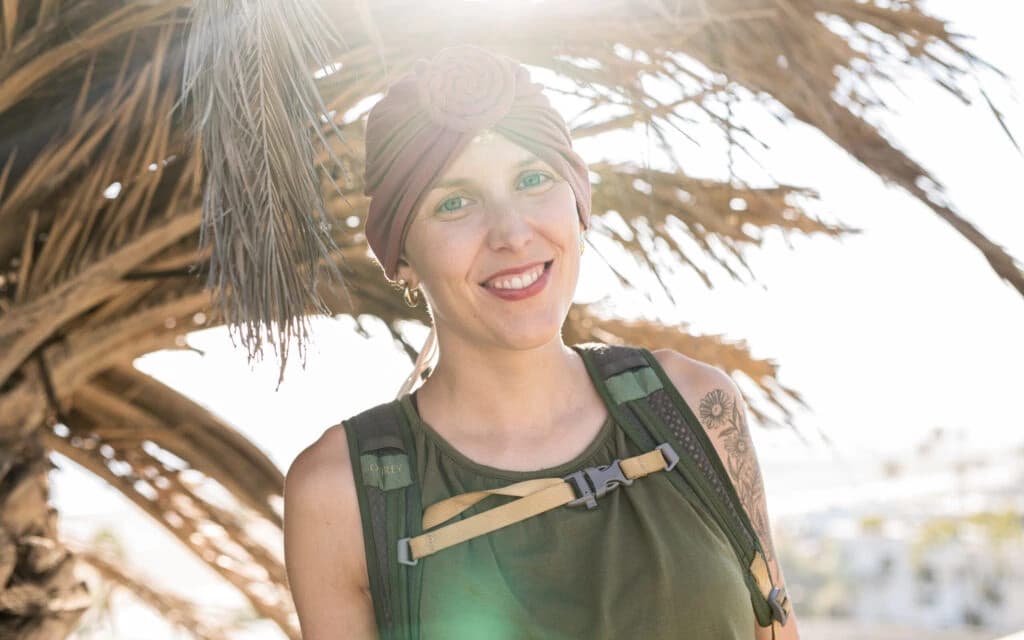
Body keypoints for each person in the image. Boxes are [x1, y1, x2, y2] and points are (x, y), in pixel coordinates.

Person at [283, 45, 800, 640]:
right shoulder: (342, 492)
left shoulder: (696, 408)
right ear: (399, 255)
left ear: (579, 204)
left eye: (533, 179)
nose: (510, 233)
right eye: (454, 202)